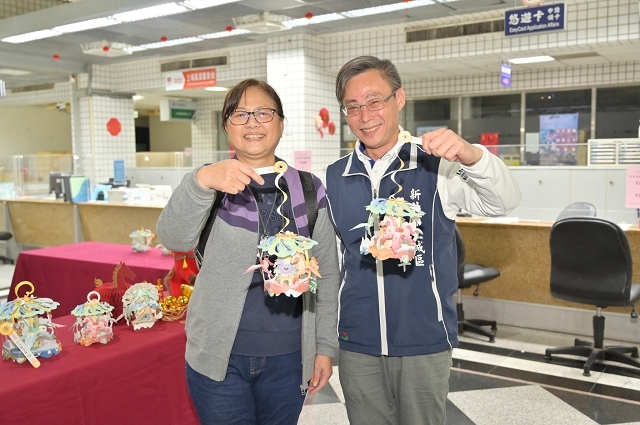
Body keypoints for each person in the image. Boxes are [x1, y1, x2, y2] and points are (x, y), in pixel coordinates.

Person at [325, 55, 521, 425]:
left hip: (424, 337)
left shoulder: (436, 162)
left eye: (374, 101)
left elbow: (503, 202)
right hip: (357, 341)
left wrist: (472, 156)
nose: (364, 116)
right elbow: (335, 262)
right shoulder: (337, 175)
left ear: (399, 98)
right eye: (353, 106)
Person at [156, 79, 339, 425]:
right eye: (240, 114)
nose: (252, 122)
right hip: (219, 360)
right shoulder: (210, 183)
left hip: (289, 359)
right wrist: (201, 180)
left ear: (281, 123)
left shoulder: (309, 189)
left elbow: (327, 274)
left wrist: (325, 347)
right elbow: (174, 238)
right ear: (226, 126)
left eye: (264, 113)